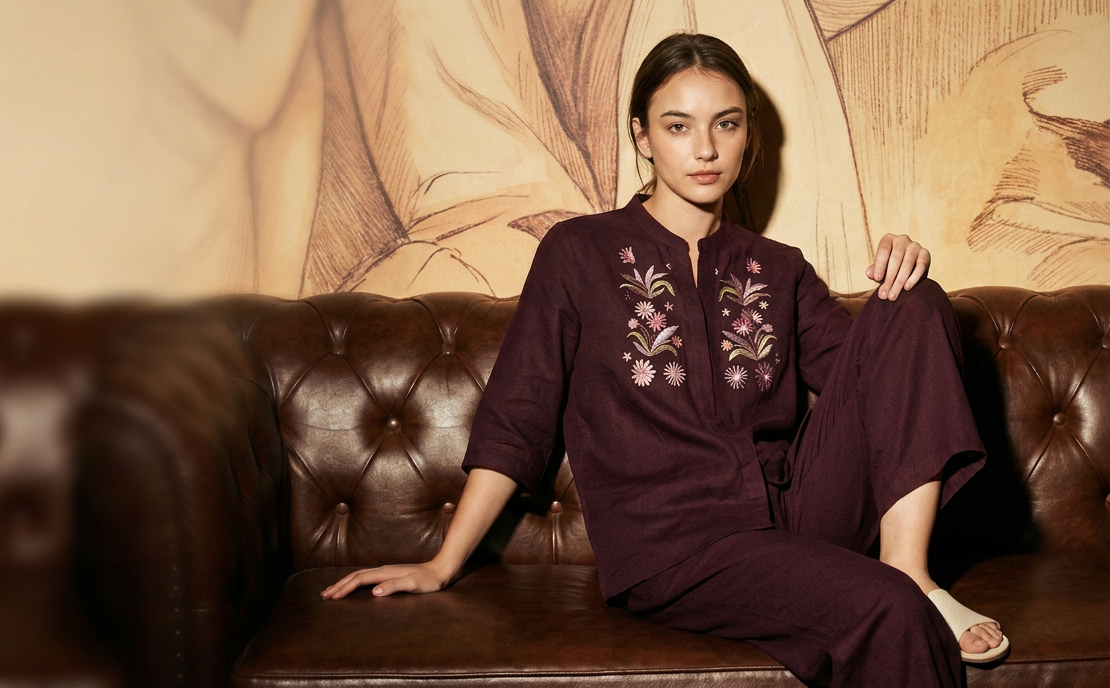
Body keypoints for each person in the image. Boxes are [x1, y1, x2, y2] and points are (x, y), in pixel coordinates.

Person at [319, 33, 1008, 687]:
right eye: (678, 126)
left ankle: (908, 567)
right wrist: (443, 562)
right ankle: (898, 591)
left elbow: (879, 379)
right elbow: (518, 414)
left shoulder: (780, 268)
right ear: (643, 136)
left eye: (726, 124)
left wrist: (903, 269)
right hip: (675, 543)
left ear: (749, 135)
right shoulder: (578, 253)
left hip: (794, 514)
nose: (705, 149)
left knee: (912, 298)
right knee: (886, 610)